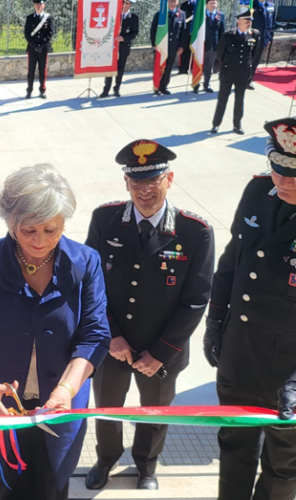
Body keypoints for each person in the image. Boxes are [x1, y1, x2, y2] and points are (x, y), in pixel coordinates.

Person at [0, 164, 110, 499]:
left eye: (52, 230)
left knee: (54, 484)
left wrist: (66, 389)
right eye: (28, 230)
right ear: (10, 224)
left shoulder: (87, 262)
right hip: (0, 404)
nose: (40, 241)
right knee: (10, 486)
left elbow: (94, 335)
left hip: (59, 404)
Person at [84, 141, 215, 491]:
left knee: (155, 412)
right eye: (136, 181)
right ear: (126, 182)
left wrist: (161, 351)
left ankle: (146, 465)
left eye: (153, 180)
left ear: (169, 179)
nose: (145, 190)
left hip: (163, 348)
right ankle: (106, 459)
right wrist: (110, 335)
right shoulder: (105, 220)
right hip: (113, 344)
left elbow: (196, 299)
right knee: (107, 409)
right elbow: (92, 283)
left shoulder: (194, 231)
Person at [204, 117, 296, 500]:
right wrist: (215, 324)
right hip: (240, 353)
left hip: (288, 367)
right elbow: (232, 263)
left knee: (284, 465)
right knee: (235, 449)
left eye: (295, 174)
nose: (284, 181)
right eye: (278, 169)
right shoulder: (258, 191)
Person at [208, 10, 261, 136]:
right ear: (239, 22)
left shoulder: (254, 34)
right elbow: (220, 55)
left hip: (243, 73)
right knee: (222, 99)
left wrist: (247, 67)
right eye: (246, 21)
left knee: (239, 100)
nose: (249, 24)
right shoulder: (228, 35)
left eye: (250, 22)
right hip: (228, 71)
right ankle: (216, 124)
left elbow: (254, 54)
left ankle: (237, 125)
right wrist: (228, 65)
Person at [101, 0, 138, 98]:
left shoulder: (134, 18)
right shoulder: (114, 15)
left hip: (123, 47)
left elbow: (134, 33)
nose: (124, 5)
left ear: (130, 5)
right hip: (112, 47)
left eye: (127, 3)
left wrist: (124, 38)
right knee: (109, 68)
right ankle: (106, 90)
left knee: (120, 69)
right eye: (123, 3)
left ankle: (116, 88)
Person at [150, 0, 188, 95]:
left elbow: (183, 32)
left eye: (174, 1)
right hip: (161, 46)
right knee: (159, 66)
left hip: (173, 46)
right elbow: (153, 30)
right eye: (170, 1)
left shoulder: (182, 14)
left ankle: (164, 87)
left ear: (177, 2)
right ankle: (157, 87)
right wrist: (154, 44)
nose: (172, 2)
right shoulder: (160, 14)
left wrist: (181, 46)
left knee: (169, 67)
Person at [23, 0, 54, 99]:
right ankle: (29, 90)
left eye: (40, 4)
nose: (39, 6)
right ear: (34, 6)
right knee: (31, 71)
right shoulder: (29, 18)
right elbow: (27, 33)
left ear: (44, 5)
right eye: (37, 4)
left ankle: (42, 90)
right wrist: (34, 45)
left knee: (42, 70)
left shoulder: (49, 18)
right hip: (32, 49)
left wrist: (41, 45)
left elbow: (50, 33)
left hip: (43, 49)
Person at [249, 0, 275, 89]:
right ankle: (241, 79)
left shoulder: (270, 5)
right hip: (252, 38)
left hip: (264, 38)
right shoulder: (251, 4)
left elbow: (271, 23)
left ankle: (248, 81)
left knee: (256, 61)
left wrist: (269, 37)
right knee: (248, 60)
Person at [202, 0, 224, 93]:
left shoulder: (220, 15)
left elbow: (222, 31)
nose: (213, 5)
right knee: (198, 66)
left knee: (209, 66)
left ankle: (207, 84)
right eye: (211, 3)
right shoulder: (201, 14)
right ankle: (195, 84)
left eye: (214, 3)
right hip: (201, 44)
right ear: (206, 4)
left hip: (213, 45)